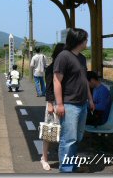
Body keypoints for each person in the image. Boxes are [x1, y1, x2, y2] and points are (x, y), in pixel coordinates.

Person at [53, 28, 95, 173]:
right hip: (69, 104)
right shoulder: (63, 56)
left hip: (82, 103)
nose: (87, 42)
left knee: (77, 138)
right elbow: (57, 81)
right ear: (79, 41)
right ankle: (66, 170)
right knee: (68, 139)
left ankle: (73, 166)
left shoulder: (82, 58)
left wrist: (90, 99)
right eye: (85, 39)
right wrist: (59, 104)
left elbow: (84, 81)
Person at [40, 42, 65, 171]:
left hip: (63, 103)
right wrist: (50, 103)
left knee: (63, 132)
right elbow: (49, 88)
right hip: (53, 103)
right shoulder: (51, 68)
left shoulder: (65, 67)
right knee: (49, 131)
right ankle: (44, 158)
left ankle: (63, 160)